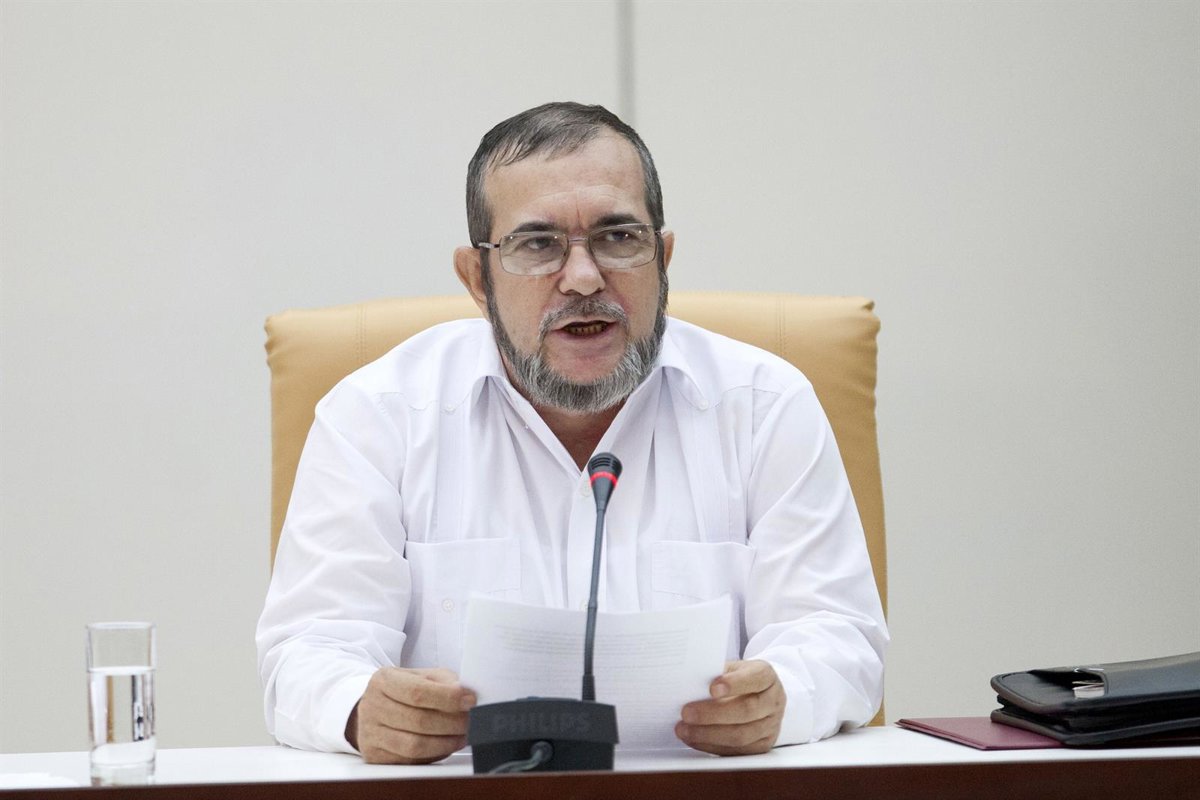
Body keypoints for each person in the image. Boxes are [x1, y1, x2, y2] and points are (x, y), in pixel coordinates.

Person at [256, 101, 887, 764]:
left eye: (619, 237)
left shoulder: (763, 407)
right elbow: (308, 651)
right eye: (537, 245)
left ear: (663, 258)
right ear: (477, 279)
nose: (584, 278)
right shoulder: (377, 416)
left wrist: (780, 697)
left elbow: (837, 635)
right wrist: (363, 709)